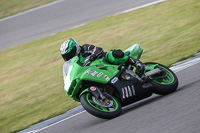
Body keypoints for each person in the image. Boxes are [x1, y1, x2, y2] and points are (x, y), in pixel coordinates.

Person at [60, 38, 145, 74]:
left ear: (76, 48)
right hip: (95, 72)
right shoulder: (74, 63)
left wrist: (91, 57)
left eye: (70, 54)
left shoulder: (85, 48)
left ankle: (136, 62)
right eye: (66, 56)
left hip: (103, 61)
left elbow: (98, 50)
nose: (69, 57)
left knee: (112, 55)